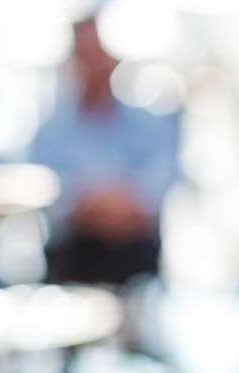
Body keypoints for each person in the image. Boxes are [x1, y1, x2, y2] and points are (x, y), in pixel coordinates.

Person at [28, 17, 178, 285]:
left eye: (98, 53)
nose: (93, 64)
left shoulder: (147, 123)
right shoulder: (50, 129)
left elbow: (157, 187)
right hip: (74, 259)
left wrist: (110, 204)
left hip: (135, 259)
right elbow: (48, 195)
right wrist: (91, 203)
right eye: (85, 54)